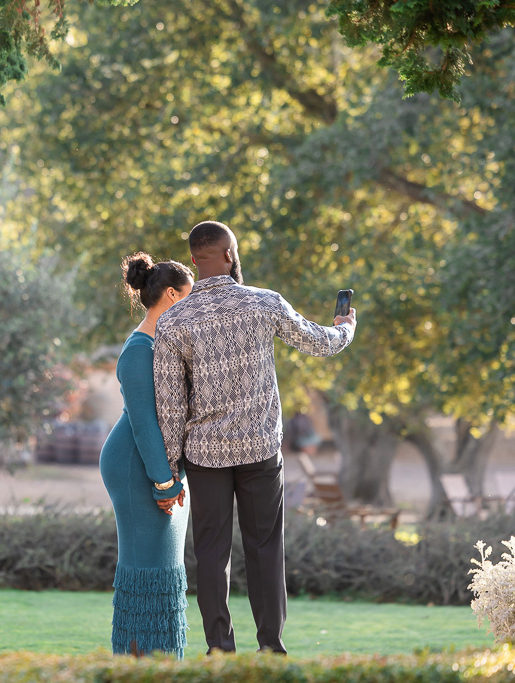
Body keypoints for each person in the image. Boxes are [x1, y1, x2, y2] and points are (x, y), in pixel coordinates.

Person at [152, 221, 356, 655]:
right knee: (265, 549)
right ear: (230, 254)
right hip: (260, 450)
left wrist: (167, 472)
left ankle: (220, 650)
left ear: (193, 260)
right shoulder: (264, 303)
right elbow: (320, 342)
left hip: (205, 456)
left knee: (211, 553)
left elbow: (169, 406)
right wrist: (345, 327)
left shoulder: (172, 322)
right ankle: (271, 649)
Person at [99, 251, 194, 658]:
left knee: (166, 571)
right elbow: (143, 423)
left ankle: (163, 664)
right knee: (145, 572)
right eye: (190, 298)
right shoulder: (139, 350)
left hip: (159, 467)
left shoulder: (165, 343)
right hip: (136, 466)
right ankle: (137, 664)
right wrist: (164, 482)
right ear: (172, 296)